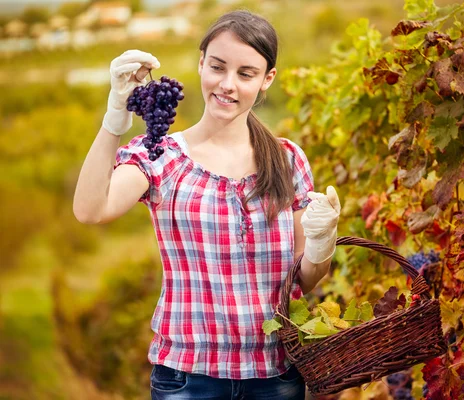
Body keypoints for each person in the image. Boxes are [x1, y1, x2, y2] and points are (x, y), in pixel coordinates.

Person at [73, 10, 342, 400]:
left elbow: (307, 278)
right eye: (217, 67)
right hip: (187, 376)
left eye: (246, 73)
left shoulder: (287, 160)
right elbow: (90, 209)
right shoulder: (160, 155)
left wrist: (322, 242)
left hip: (276, 375)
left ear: (267, 79)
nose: (227, 85)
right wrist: (115, 118)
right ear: (201, 63)